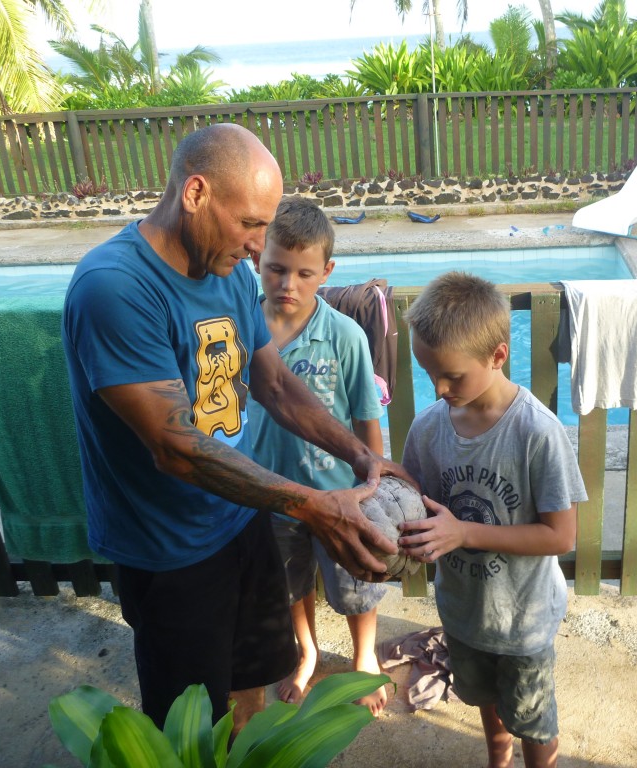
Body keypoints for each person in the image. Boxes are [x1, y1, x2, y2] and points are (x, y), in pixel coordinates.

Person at [61, 123, 407, 732]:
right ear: (196, 193)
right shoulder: (115, 288)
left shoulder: (229, 272)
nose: (257, 246)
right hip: (169, 549)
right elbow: (176, 448)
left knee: (253, 682)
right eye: (249, 224)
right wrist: (312, 506)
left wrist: (360, 456)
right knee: (192, 725)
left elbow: (273, 384)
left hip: (244, 520)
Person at [396, 272, 587, 768]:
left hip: (523, 622)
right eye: (428, 372)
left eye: (453, 376)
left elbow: (561, 536)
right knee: (484, 699)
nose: (439, 388)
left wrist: (464, 532)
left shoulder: (537, 433)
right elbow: (418, 506)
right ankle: (496, 760)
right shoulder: (428, 429)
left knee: (533, 720)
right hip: (463, 612)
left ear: (498, 355)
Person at [245, 196, 389, 714]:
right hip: (274, 494)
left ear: (326, 272)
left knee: (354, 584)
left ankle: (364, 656)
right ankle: (306, 652)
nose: (288, 284)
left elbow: (366, 421)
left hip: (339, 495)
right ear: (257, 260)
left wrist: (371, 495)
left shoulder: (344, 336)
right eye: (276, 269)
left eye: (304, 273)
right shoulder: (243, 327)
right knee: (291, 584)